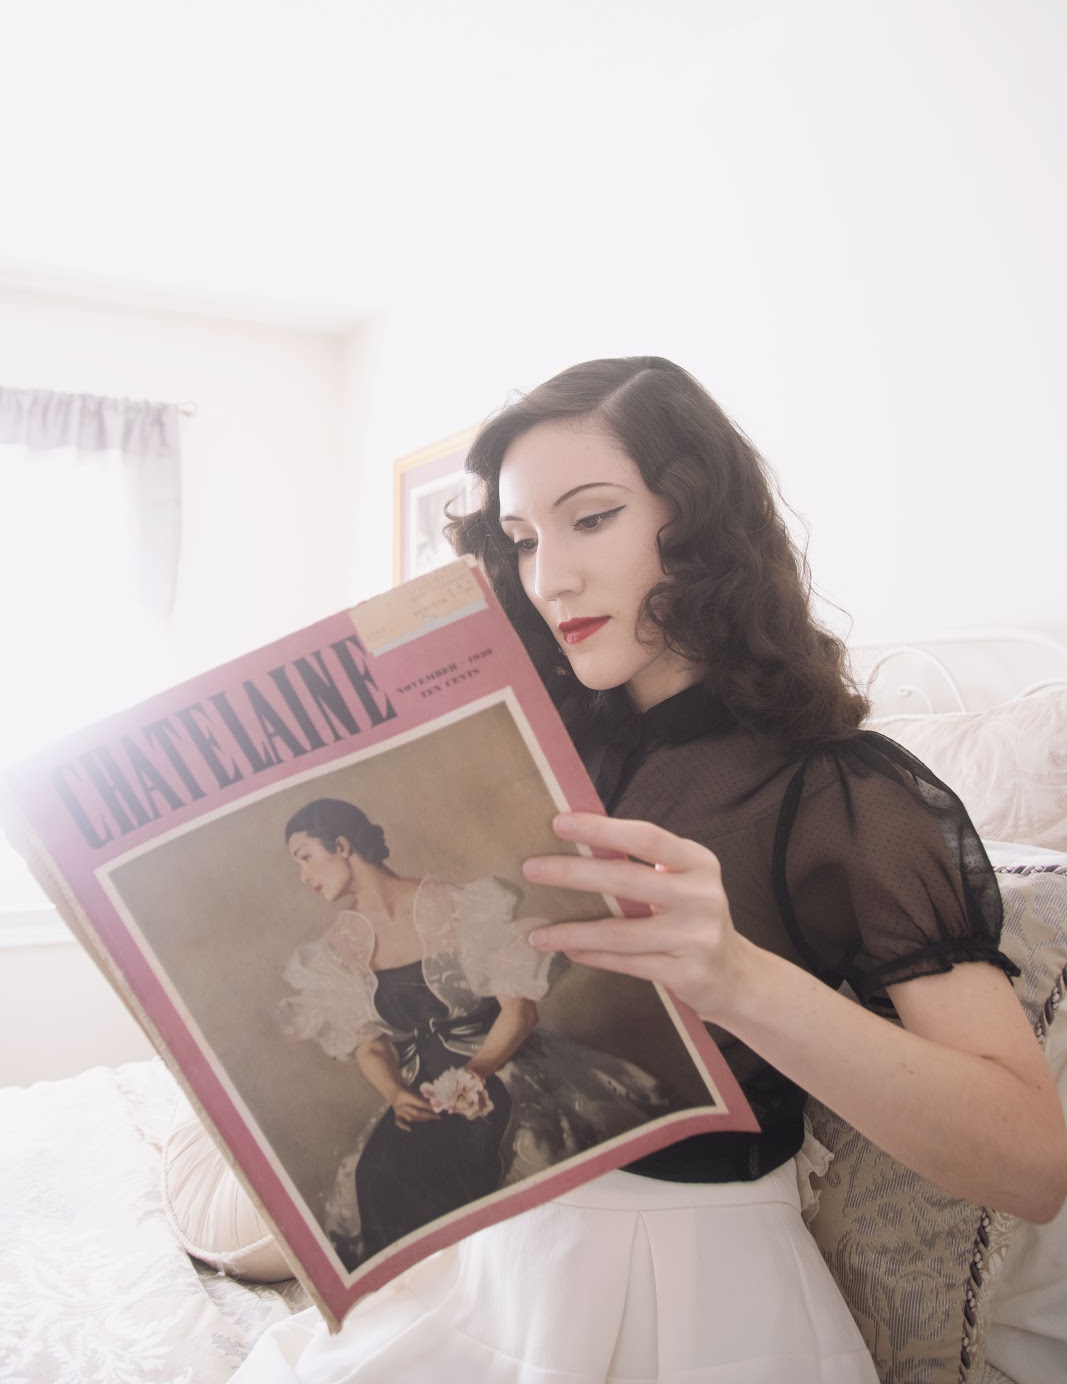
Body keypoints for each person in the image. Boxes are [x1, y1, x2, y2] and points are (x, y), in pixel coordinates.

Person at [234, 356, 1067, 1383]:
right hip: (493, 1251)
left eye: (591, 519)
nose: (548, 579)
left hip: (681, 1279)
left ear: (700, 518)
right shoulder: (541, 758)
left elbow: (1030, 1165)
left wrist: (740, 978)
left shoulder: (840, 793)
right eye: (521, 540)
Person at [277, 795, 667, 1267]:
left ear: (341, 846)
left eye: (305, 858)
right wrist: (396, 1094)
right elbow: (370, 1045)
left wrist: (476, 1072)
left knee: (492, 1161)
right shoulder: (339, 947)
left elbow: (519, 1011)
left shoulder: (454, 904)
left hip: (500, 1064)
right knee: (381, 1173)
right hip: (421, 1090)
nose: (304, 876)